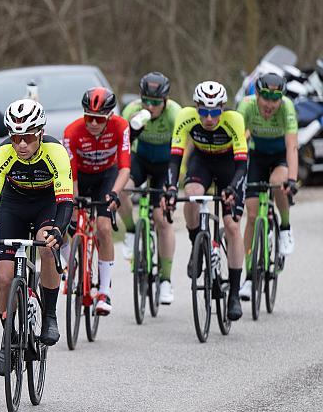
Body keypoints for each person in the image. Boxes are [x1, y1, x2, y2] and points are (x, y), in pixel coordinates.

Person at [0, 99, 73, 375]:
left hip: (47, 204)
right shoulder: (3, 152)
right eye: (15, 137)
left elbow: (65, 201)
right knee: (4, 278)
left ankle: (50, 315)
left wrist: (58, 231)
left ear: (39, 133)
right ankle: (9, 336)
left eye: (28, 137)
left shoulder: (55, 152)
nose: (21, 145)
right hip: (14, 206)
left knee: (46, 246)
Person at [163, 81, 247, 321]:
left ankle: (233, 293)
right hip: (201, 160)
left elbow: (242, 164)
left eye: (214, 111)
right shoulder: (185, 117)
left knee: (231, 225)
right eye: (204, 111)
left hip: (229, 165)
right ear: (196, 107)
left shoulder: (234, 120)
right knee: (191, 194)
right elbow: (175, 158)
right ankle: (197, 245)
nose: (209, 118)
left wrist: (231, 188)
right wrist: (170, 187)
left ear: (223, 108)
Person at [63, 87, 131, 316]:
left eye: (98, 119)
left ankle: (104, 292)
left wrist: (114, 193)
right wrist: (72, 203)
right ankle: (69, 266)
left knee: (103, 227)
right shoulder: (72, 131)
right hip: (80, 177)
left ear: (110, 116)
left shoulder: (121, 127)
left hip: (106, 177)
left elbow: (124, 168)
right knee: (62, 222)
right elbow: (69, 175)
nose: (92, 123)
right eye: (88, 117)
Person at [118, 72, 181, 304]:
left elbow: (183, 148)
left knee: (162, 218)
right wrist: (134, 127)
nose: (150, 106)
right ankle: (132, 230)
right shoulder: (132, 110)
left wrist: (174, 183)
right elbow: (123, 148)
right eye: (146, 100)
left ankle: (165, 279)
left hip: (165, 164)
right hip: (141, 159)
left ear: (165, 100)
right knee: (121, 188)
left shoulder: (175, 113)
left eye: (156, 102)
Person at [237, 73, 298, 300]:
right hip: (257, 157)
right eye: (266, 99)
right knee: (251, 216)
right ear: (257, 95)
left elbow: (292, 146)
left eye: (276, 99)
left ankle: (285, 227)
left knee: (278, 183)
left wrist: (291, 179)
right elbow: (239, 140)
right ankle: (249, 276)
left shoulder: (287, 108)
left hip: (280, 157)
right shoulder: (246, 106)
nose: (270, 105)